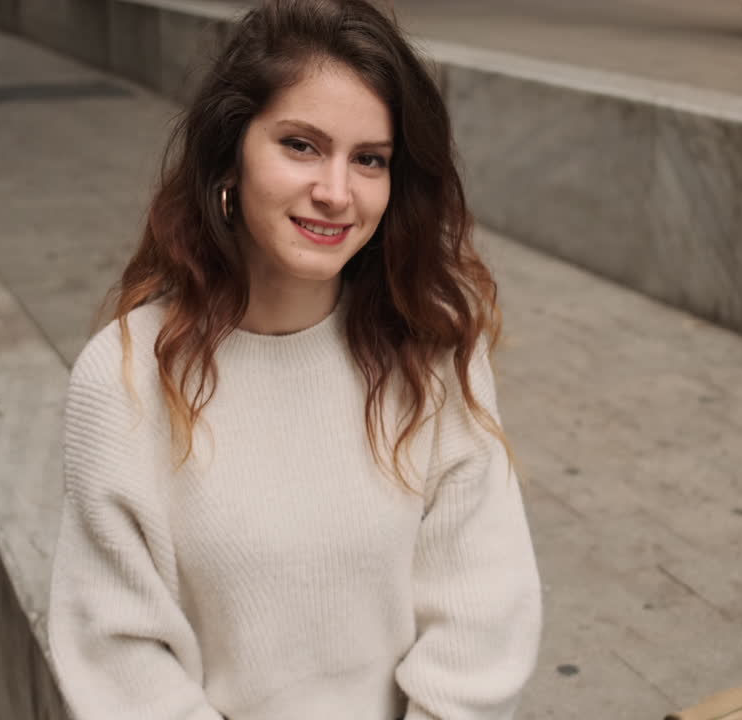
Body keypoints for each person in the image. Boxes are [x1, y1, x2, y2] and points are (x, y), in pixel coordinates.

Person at [46, 1, 543, 719]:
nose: (337, 192)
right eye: (301, 145)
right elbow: (117, 652)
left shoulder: (431, 360)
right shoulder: (125, 376)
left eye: (369, 159)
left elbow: (482, 620)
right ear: (230, 156)